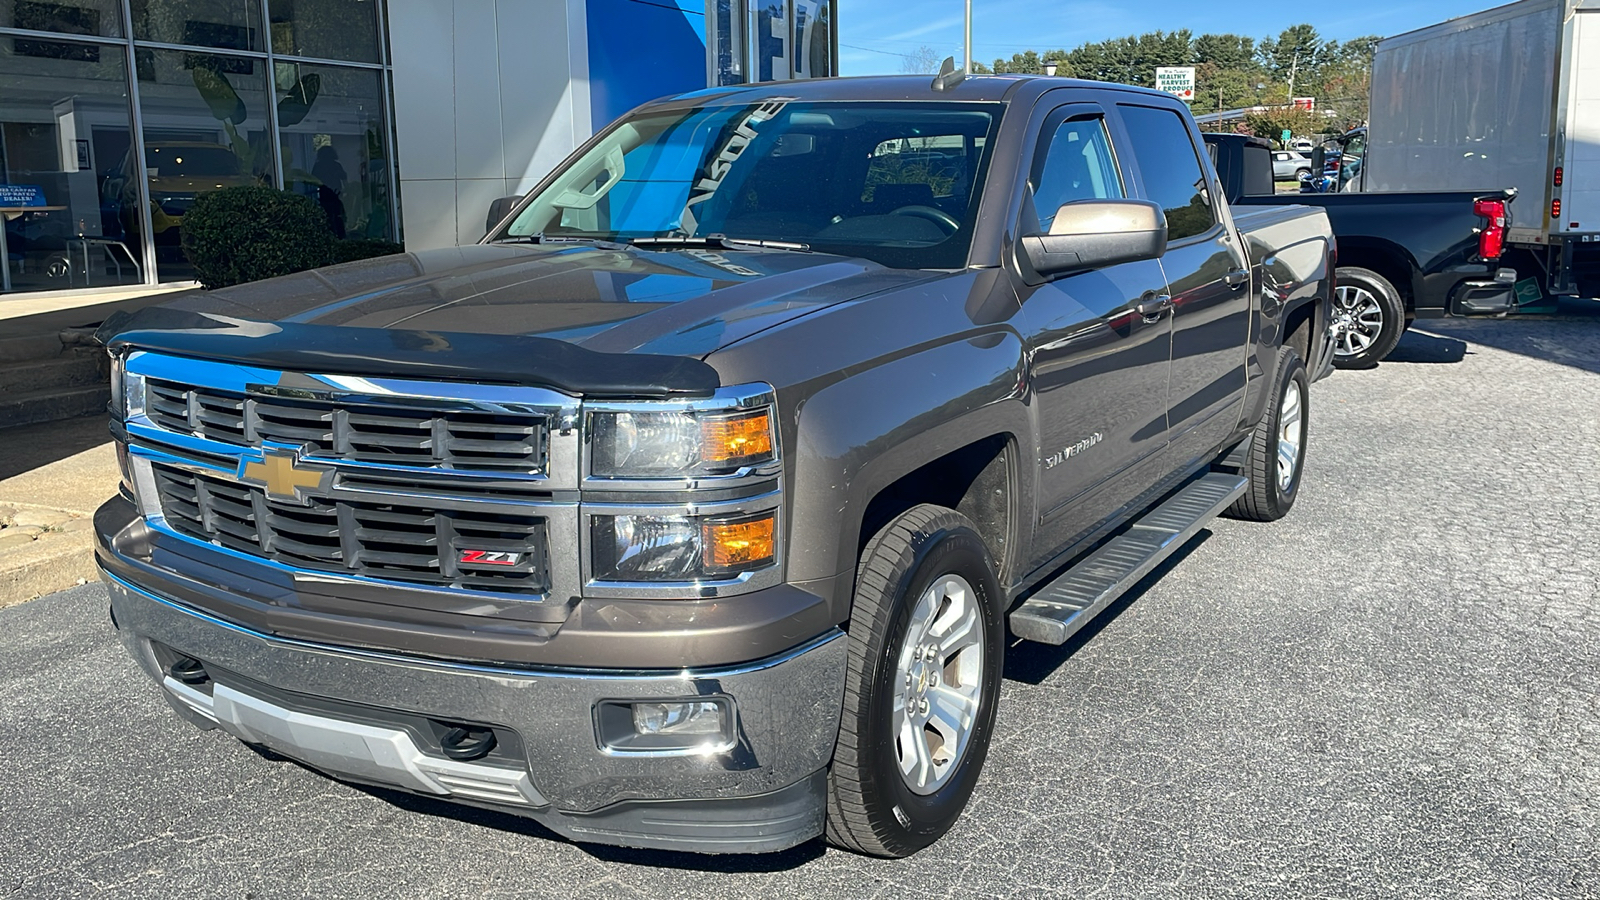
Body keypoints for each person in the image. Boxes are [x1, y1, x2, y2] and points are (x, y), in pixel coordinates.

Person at [312, 145, 347, 238]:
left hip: (325, 195)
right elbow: (344, 178)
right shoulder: (336, 165)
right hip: (336, 194)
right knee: (338, 217)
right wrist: (345, 190)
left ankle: (329, 236)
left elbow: (313, 180)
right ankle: (340, 236)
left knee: (327, 218)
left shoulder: (318, 166)